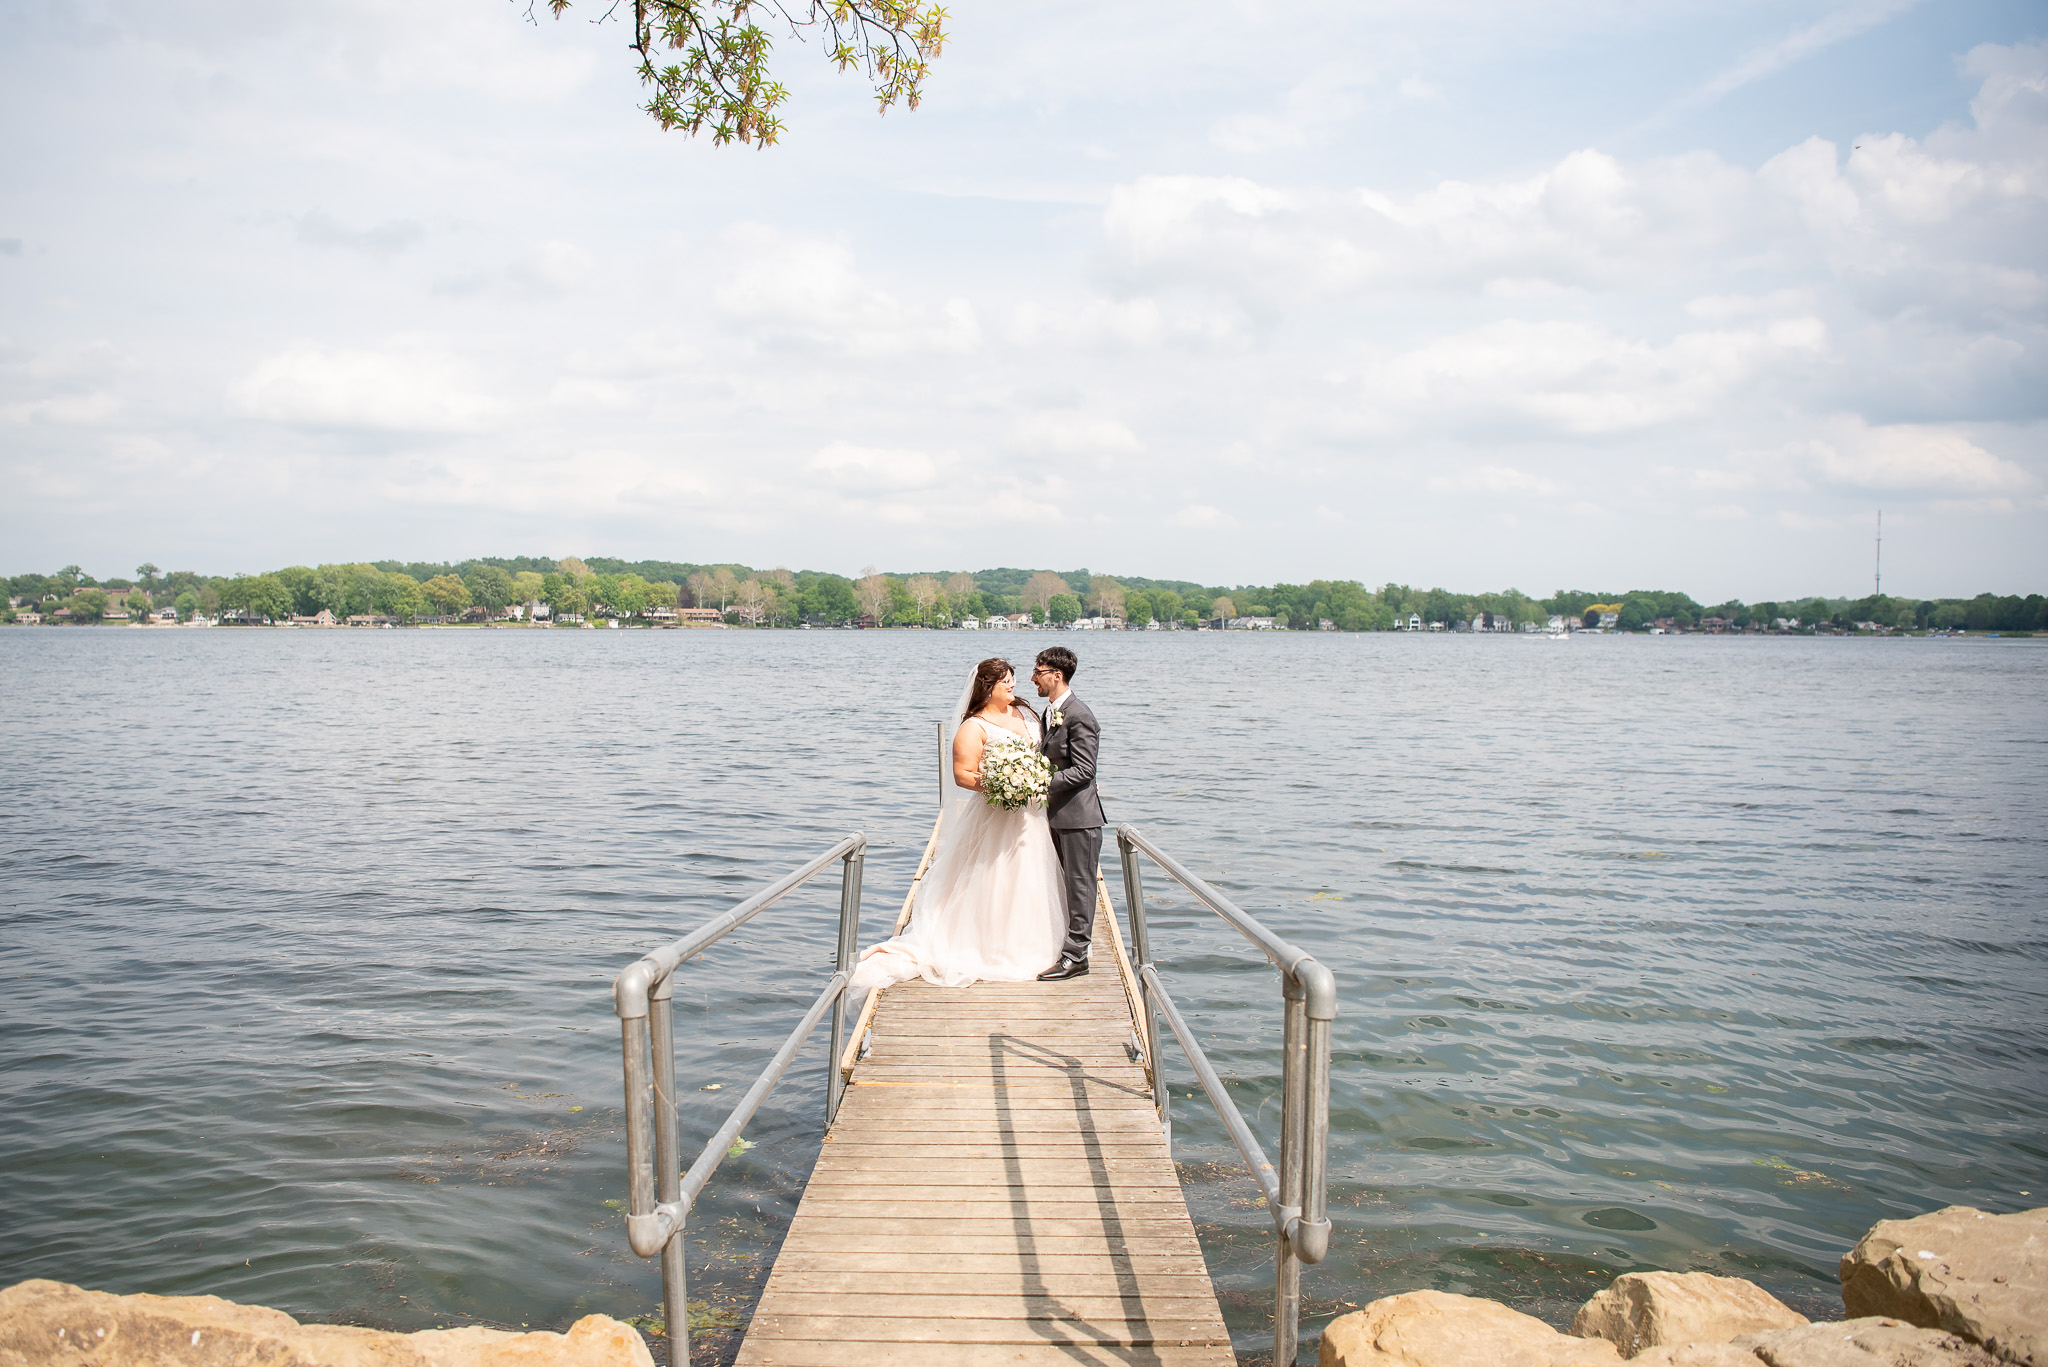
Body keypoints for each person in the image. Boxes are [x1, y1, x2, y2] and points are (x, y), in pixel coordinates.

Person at [849, 658, 1066, 990]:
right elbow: (963, 775)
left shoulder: (1026, 713)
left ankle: (1033, 940)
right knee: (994, 876)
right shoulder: (974, 726)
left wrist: (1035, 781)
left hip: (1033, 814)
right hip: (998, 812)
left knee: (1031, 874)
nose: (1012, 686)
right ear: (986, 688)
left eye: (1013, 680)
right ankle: (989, 944)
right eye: (1004, 682)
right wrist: (1006, 784)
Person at [1030, 645, 1104, 981]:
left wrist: (1040, 782)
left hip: (1080, 818)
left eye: (1039, 672)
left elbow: (1085, 770)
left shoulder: (1080, 714)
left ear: (1056, 675)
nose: (1034, 679)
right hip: (1058, 815)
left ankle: (1076, 957)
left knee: (1080, 886)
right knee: (1064, 884)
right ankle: (1066, 947)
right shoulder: (1050, 712)